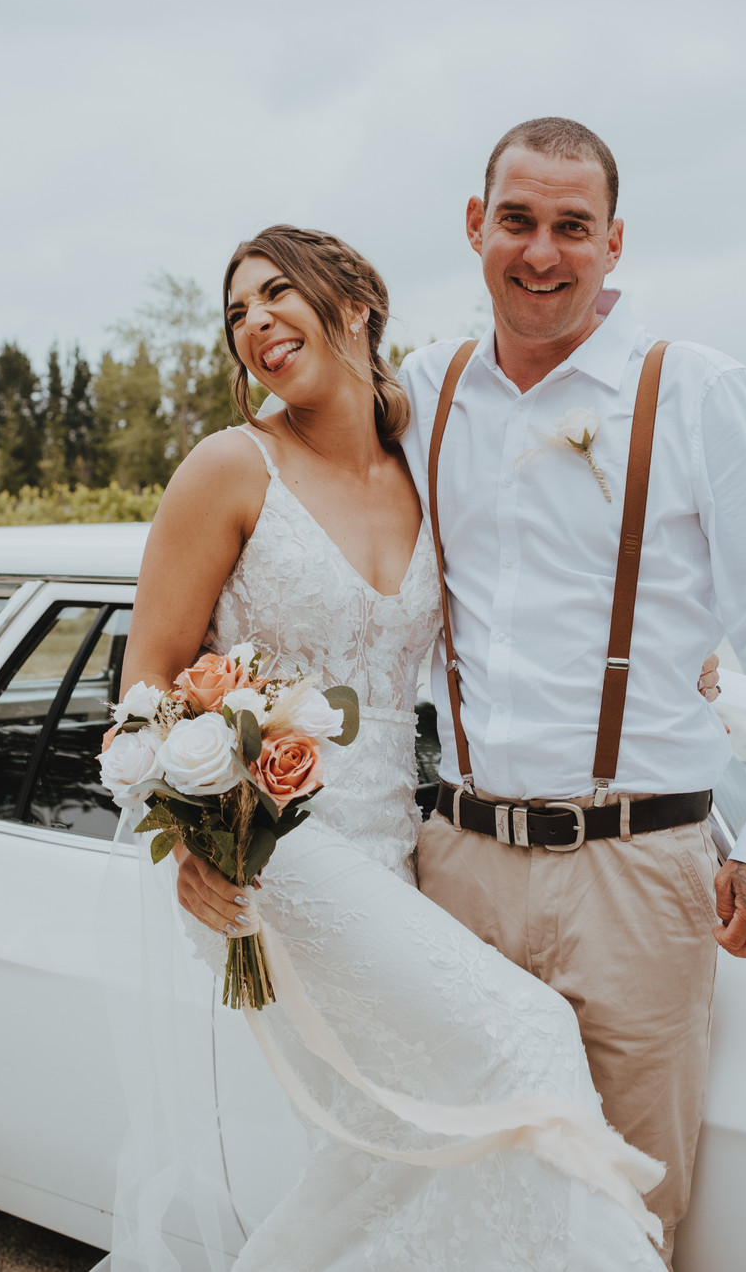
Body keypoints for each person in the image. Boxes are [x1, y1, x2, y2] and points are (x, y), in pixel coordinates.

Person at [115, 224, 665, 1271]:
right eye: (236, 312)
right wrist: (194, 833)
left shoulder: (427, 465)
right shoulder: (228, 467)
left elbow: (538, 592)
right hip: (272, 850)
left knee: (397, 1143)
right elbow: (145, 686)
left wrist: (686, 660)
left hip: (395, 841)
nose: (255, 322)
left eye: (277, 293)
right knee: (527, 1032)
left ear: (356, 304)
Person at [396, 117, 746, 1256]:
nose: (540, 252)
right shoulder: (424, 389)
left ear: (612, 242)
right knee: (457, 1186)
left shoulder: (695, 390)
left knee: (625, 1201)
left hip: (637, 871)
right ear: (475, 224)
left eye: (571, 226)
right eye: (517, 220)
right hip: (455, 862)